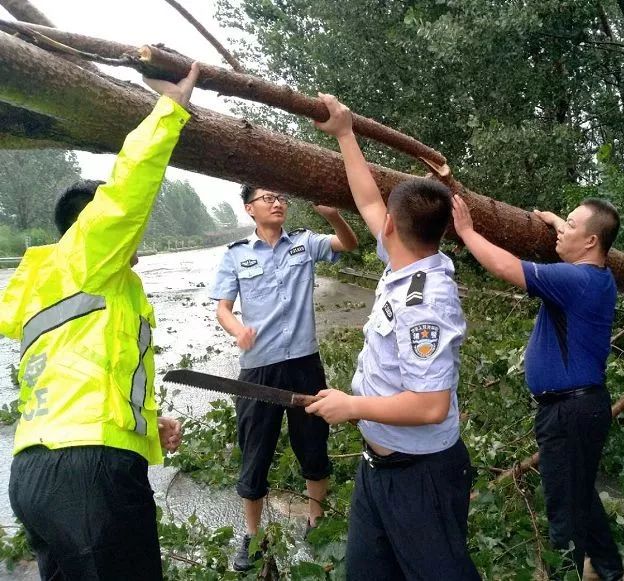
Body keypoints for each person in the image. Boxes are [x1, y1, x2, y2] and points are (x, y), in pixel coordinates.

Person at [0, 64, 200, 580]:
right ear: (87, 228)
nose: (134, 236)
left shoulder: (53, 286)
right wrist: (170, 109)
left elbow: (84, 377)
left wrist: (147, 429)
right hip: (88, 476)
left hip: (34, 473)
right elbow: (126, 192)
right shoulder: (86, 259)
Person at [306, 93, 480, 581]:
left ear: (390, 225)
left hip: (420, 476)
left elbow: (430, 405)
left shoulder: (425, 302)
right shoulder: (405, 261)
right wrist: (344, 133)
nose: (375, 215)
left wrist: (351, 406)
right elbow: (365, 197)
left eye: (382, 215)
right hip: (377, 469)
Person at [451, 195, 624, 580]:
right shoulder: (599, 274)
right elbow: (573, 234)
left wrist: (466, 231)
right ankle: (610, 569)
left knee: (563, 510)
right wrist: (552, 219)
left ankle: (568, 573)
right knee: (579, 495)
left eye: (571, 225)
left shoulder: (575, 279)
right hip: (585, 407)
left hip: (567, 414)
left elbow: (505, 266)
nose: (563, 230)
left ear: (592, 242)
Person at [210, 185, 358, 571]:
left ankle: (316, 519)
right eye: (267, 198)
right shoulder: (236, 255)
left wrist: (332, 214)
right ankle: (252, 536)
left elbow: (349, 243)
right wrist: (237, 329)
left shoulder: (305, 244)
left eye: (281, 197)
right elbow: (223, 309)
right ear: (250, 209)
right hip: (259, 368)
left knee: (313, 445)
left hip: (304, 364)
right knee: (255, 451)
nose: (277, 203)